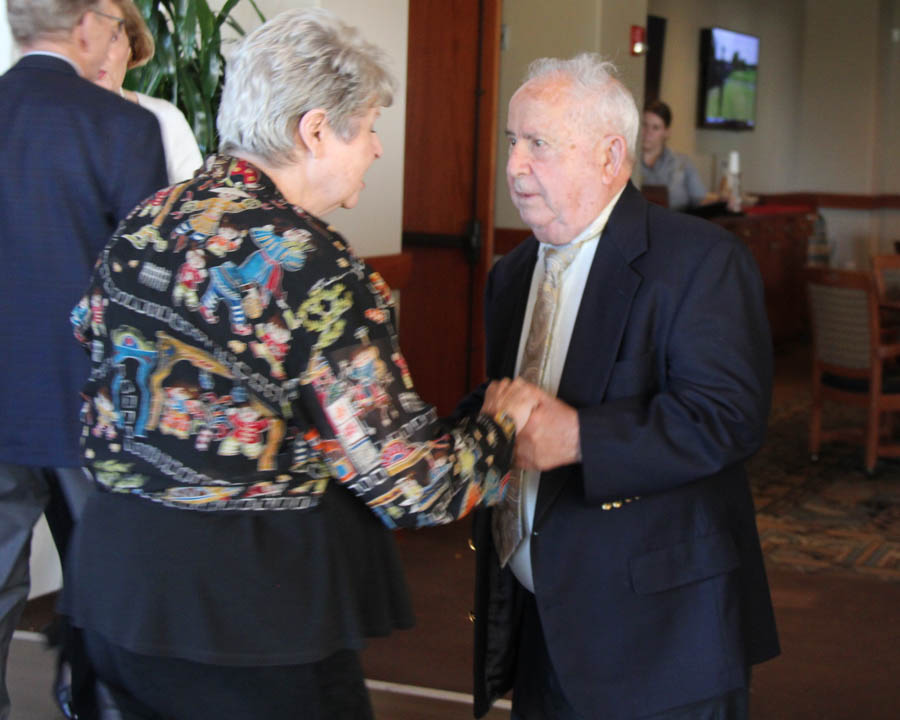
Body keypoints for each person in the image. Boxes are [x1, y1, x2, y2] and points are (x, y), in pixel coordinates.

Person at [61, 9, 536, 719]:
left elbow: (89, 344)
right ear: (315, 130)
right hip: (243, 621)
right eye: (370, 125)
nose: (378, 148)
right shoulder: (313, 269)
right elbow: (411, 485)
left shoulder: (150, 221)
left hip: (110, 594)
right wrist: (502, 427)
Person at [463, 54, 780, 719]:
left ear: (611, 155)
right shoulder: (512, 273)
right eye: (511, 143)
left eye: (538, 145)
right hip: (541, 630)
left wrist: (578, 437)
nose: (514, 166)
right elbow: (506, 416)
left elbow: (727, 419)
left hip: (662, 642)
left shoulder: (699, 260)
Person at [0, 1, 167, 717]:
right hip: (93, 407)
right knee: (109, 590)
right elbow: (149, 288)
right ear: (89, 24)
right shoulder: (122, 126)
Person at [94, 0, 203, 184]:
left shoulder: (165, 119)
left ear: (131, 47)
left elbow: (196, 206)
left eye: (112, 37)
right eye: (87, 38)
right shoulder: (44, 120)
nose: (100, 52)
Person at [640, 99, 708, 211]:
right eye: (644, 125)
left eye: (655, 128)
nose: (648, 132)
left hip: (675, 224)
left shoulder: (683, 163)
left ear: (666, 132)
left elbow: (700, 201)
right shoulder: (627, 162)